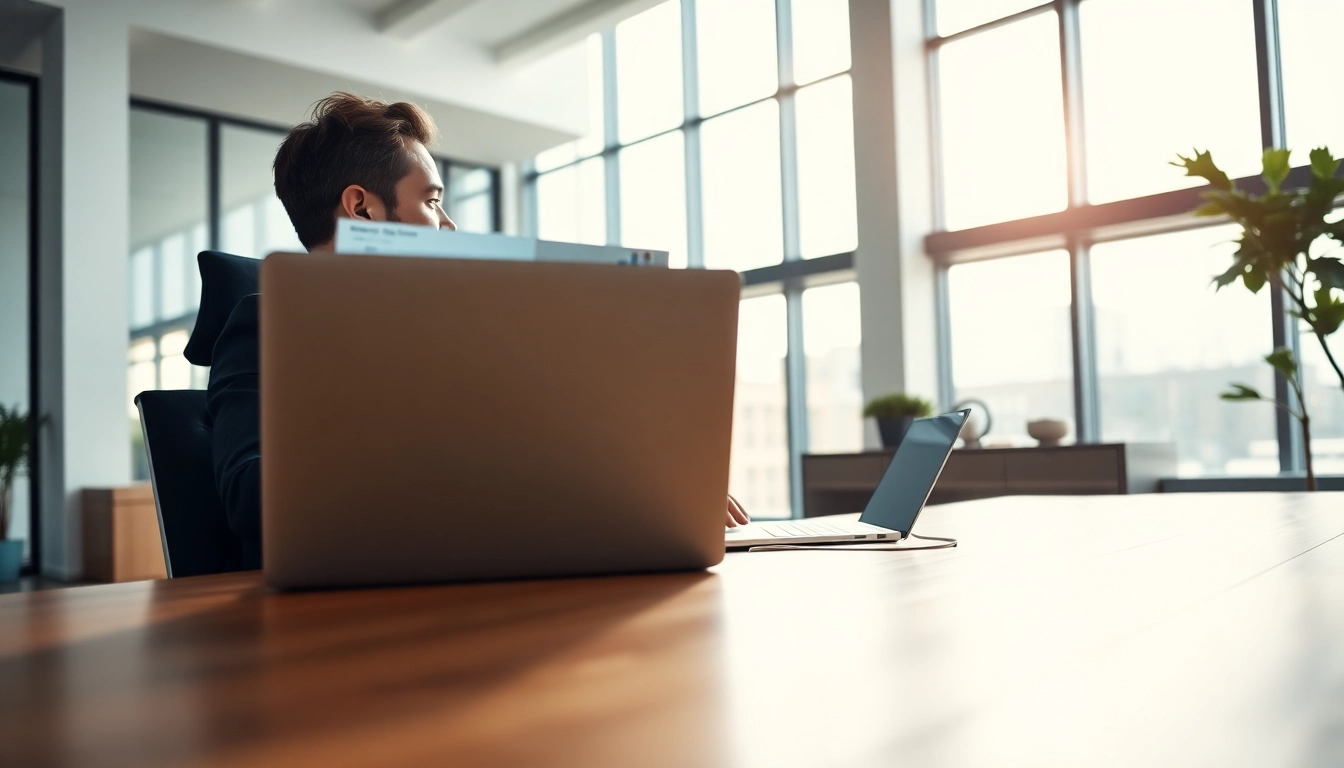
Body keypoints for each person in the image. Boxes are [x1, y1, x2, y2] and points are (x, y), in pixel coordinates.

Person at [206, 93, 749, 567]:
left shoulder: (454, 334)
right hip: (341, 614)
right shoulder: (266, 322)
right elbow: (248, 495)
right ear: (361, 207)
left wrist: (660, 490)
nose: (448, 223)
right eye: (432, 200)